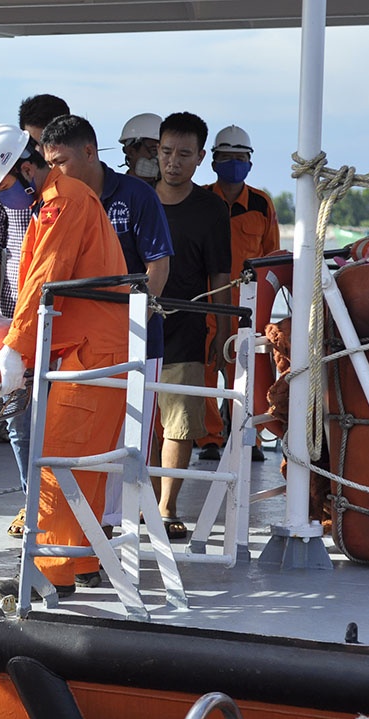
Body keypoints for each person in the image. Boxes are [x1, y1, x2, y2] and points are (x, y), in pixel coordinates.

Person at [0, 125, 130, 600]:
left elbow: (44, 279)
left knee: (58, 460)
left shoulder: (63, 203)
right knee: (83, 465)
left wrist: (15, 348)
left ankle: (52, 574)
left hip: (90, 352)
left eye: (1, 192)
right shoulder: (61, 200)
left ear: (25, 170)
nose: (1, 203)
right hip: (96, 348)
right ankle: (82, 563)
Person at [40, 114, 173, 542]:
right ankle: (85, 541)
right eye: (49, 164)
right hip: (78, 349)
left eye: (61, 162)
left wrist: (133, 324)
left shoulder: (135, 198)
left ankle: (113, 538)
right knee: (79, 449)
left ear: (90, 152)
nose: (55, 173)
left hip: (137, 344)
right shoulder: (59, 202)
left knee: (126, 447)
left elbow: (157, 266)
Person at [0, 94, 70, 539]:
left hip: (58, 327)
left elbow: (51, 270)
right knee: (17, 420)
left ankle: (56, 510)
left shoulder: (66, 197)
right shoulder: (4, 191)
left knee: (55, 422)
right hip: (15, 321)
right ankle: (30, 502)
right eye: (34, 144)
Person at [154, 112, 232, 537]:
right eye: (167, 152)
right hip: (136, 330)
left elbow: (220, 274)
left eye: (184, 154)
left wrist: (222, 331)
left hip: (186, 330)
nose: (173, 162)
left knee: (179, 423)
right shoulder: (139, 199)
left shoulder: (211, 210)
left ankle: (165, 508)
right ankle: (136, 503)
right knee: (138, 420)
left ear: (201, 158)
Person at [194, 124, 281, 463]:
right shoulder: (200, 200)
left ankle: (249, 436)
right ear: (213, 162)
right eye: (227, 157)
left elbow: (273, 257)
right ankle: (210, 438)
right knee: (203, 369)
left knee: (247, 371)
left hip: (246, 306)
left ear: (250, 162)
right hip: (205, 301)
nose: (233, 163)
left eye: (240, 158)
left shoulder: (261, 204)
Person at [118, 113, 163, 185]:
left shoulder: (172, 193)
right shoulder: (116, 192)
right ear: (130, 152)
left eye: (164, 151)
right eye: (154, 150)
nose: (159, 157)